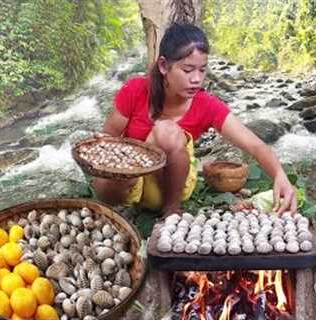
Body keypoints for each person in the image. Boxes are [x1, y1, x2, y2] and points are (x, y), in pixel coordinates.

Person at [93, 22, 297, 217]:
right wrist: (104, 149)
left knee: (166, 130)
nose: (196, 79)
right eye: (188, 70)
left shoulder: (206, 105)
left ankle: (171, 211)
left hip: (168, 185)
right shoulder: (136, 89)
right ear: (164, 66)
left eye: (202, 69)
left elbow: (255, 146)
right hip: (130, 180)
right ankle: (126, 207)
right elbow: (109, 137)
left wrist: (280, 175)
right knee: (104, 183)